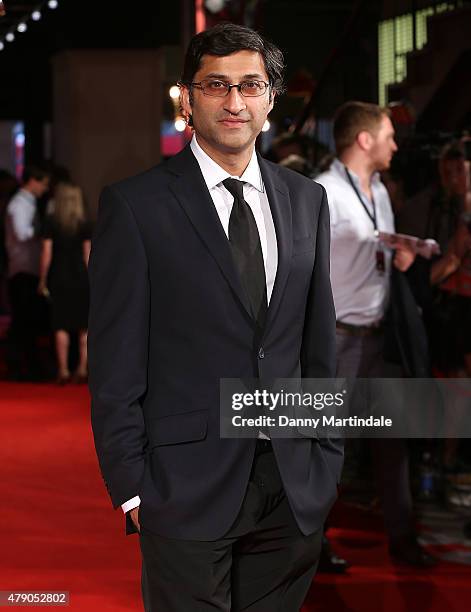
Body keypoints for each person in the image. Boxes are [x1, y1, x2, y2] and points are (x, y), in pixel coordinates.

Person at [89, 22, 343, 611]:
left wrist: (325, 463)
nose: (234, 102)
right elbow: (115, 361)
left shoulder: (308, 200)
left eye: (250, 85)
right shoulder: (136, 206)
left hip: (291, 487)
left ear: (271, 99)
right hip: (183, 488)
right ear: (188, 96)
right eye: (216, 86)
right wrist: (131, 488)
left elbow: (318, 348)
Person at [316, 101, 435, 567]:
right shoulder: (324, 192)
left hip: (381, 336)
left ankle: (402, 538)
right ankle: (314, 541)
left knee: (392, 442)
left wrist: (399, 255)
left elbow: (377, 248)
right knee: (329, 446)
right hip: (339, 340)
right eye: (388, 136)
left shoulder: (381, 190)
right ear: (364, 140)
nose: (395, 144)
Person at [38, 182, 91, 384]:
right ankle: (82, 369)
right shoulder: (84, 223)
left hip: (59, 277)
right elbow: (88, 255)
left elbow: (46, 254)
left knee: (60, 324)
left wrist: (42, 279)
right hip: (81, 277)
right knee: (84, 327)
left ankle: (63, 370)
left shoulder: (51, 222)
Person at [4, 164, 50, 380]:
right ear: (33, 180)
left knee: (26, 322)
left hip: (27, 269)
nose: (45, 188)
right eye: (43, 183)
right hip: (22, 270)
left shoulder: (26, 203)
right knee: (24, 322)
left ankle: (25, 366)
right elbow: (22, 234)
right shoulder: (18, 205)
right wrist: (44, 232)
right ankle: (21, 366)